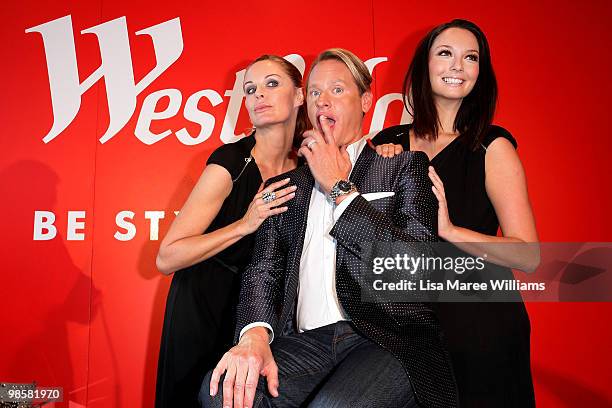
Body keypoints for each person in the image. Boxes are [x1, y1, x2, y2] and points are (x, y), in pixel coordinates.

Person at [202, 48, 459, 408]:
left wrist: (341, 189)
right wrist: (255, 336)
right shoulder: (282, 186)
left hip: (387, 339)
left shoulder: (404, 167)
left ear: (366, 100)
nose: (323, 102)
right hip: (306, 344)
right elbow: (264, 271)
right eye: (315, 93)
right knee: (222, 393)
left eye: (337, 90)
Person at [373, 19, 540, 407]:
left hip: (481, 327)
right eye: (445, 53)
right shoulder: (386, 144)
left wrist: (449, 229)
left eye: (471, 58)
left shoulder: (491, 146)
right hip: (406, 328)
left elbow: (529, 255)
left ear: (480, 73)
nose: (458, 66)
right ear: (424, 65)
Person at [155, 55, 309, 408]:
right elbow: (167, 257)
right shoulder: (230, 163)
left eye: (272, 84)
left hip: (262, 313)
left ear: (300, 95)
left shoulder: (305, 166)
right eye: (251, 89)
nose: (258, 96)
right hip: (205, 306)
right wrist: (244, 224)